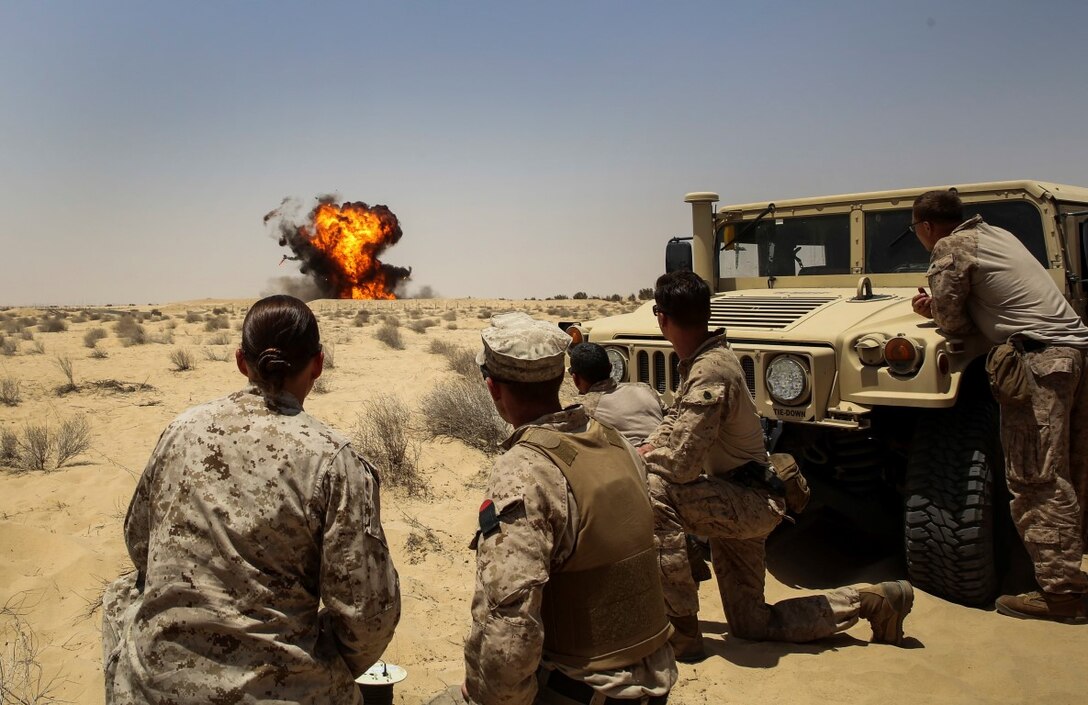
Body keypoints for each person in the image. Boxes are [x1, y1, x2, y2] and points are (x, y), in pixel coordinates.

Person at [101, 295, 401, 704]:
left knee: (121, 596)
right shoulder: (334, 461)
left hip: (152, 689)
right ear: (318, 365)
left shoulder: (181, 431)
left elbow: (140, 545)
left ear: (242, 362)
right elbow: (368, 615)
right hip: (281, 692)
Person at [639, 271, 914, 662]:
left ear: (662, 318)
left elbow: (681, 466)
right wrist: (651, 444)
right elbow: (675, 421)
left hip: (746, 502)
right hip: (741, 498)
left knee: (651, 490)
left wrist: (640, 458)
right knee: (752, 624)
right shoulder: (702, 361)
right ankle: (870, 601)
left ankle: (681, 629)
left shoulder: (710, 370)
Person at [461, 312, 676, 705]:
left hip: (586, 690)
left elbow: (511, 621)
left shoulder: (524, 469)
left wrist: (487, 693)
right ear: (561, 378)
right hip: (655, 678)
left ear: (493, 388)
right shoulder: (615, 442)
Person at [910, 189, 1088, 622]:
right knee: (1067, 469)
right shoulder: (996, 234)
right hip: (1073, 352)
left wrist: (932, 307)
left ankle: (1061, 596)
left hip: (1038, 360)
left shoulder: (951, 247)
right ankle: (1068, 572)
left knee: (1035, 477)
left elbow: (951, 319)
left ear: (926, 227)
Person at [568, 342, 667, 446]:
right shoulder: (645, 389)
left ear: (575, 379)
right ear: (611, 368)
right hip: (665, 452)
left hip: (633, 459)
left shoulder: (582, 407)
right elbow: (672, 417)